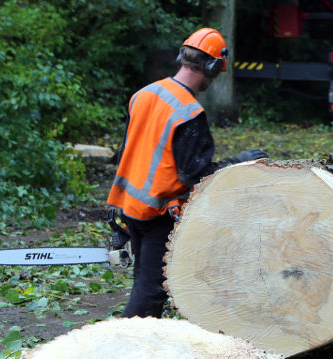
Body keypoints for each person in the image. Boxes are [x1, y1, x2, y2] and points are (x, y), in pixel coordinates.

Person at [107, 27, 267, 318]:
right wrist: (238, 162)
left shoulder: (145, 93)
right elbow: (196, 174)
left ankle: (142, 343)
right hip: (158, 212)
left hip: (131, 204)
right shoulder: (189, 113)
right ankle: (126, 347)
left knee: (143, 282)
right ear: (213, 66)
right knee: (151, 290)